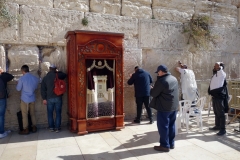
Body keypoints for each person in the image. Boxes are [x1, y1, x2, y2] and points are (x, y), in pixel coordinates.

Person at [150, 65, 179, 152]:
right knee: (171, 125)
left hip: (164, 107)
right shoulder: (174, 78)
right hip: (173, 107)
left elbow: (154, 94)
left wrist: (151, 88)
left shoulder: (162, 81)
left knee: (163, 127)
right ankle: (171, 143)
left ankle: (164, 145)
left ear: (161, 71)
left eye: (158, 72)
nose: (157, 74)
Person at [41, 64, 67, 132]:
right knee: (58, 113)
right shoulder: (58, 75)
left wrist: (44, 98)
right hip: (58, 97)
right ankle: (57, 128)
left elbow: (43, 89)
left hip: (49, 98)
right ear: (55, 69)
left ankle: (51, 127)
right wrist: (58, 72)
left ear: (49, 69)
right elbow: (65, 74)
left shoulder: (45, 77)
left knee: (50, 113)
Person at [16, 65, 39, 135]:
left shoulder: (22, 79)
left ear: (23, 71)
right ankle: (34, 127)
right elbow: (36, 87)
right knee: (32, 113)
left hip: (25, 99)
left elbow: (18, 89)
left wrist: (17, 84)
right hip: (32, 98)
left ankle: (26, 129)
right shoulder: (35, 78)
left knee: (24, 114)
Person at [208, 62, 228, 136]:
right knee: (216, 112)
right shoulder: (215, 75)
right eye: (214, 66)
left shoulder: (221, 74)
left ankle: (223, 130)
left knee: (221, 113)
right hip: (215, 96)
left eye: (216, 66)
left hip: (219, 97)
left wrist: (218, 66)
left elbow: (220, 70)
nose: (214, 67)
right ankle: (217, 126)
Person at [0, 68, 14, 139]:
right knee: (1, 116)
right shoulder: (3, 77)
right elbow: (11, 76)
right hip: (1, 98)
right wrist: (2, 72)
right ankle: (1, 132)